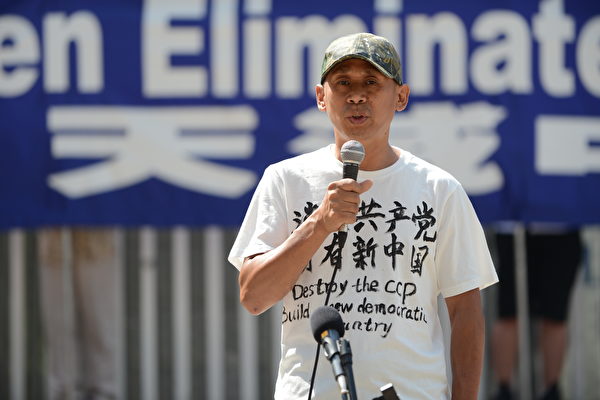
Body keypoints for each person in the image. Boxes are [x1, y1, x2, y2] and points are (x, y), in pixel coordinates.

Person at [228, 32, 498, 400]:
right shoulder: (285, 179)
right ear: (321, 97)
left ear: (400, 97)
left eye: (372, 82)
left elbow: (466, 312)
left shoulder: (439, 189)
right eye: (343, 83)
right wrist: (319, 222)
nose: (357, 95)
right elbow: (253, 296)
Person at [491, 224, 582, 400]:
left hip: (561, 226)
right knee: (508, 313)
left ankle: (552, 390)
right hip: (513, 226)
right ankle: (503, 389)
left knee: (555, 314)